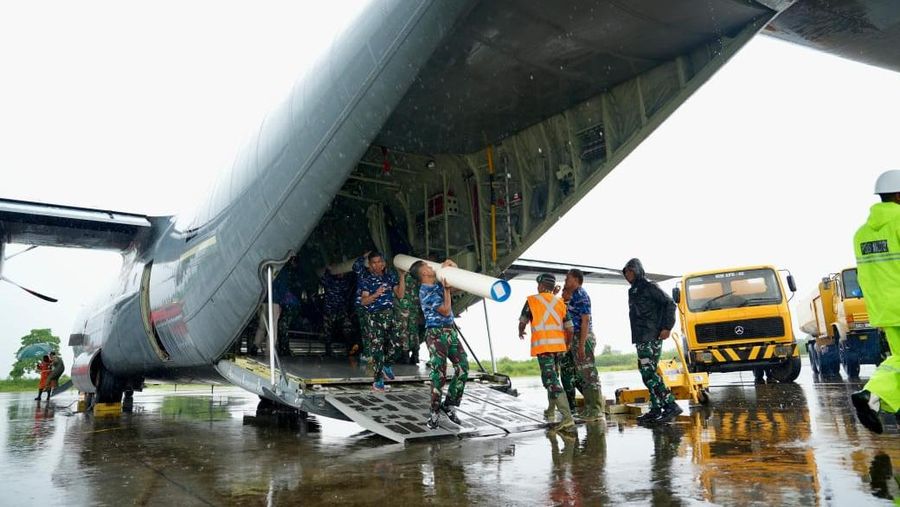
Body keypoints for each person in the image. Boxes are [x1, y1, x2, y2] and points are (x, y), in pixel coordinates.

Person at [850, 170, 900, 434]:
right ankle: (871, 394)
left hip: (885, 309)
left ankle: (884, 402)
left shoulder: (861, 234)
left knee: (898, 359)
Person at [623, 258, 682, 425]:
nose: (627, 275)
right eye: (626, 272)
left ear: (636, 270)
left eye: (629, 271)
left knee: (648, 372)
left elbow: (670, 303)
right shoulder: (633, 291)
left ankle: (670, 404)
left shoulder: (650, 287)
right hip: (641, 337)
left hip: (650, 336)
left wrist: (667, 327)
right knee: (646, 372)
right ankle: (656, 407)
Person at [410, 259, 468, 429]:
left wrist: (453, 268)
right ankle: (434, 411)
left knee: (463, 367)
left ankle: (449, 404)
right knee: (439, 373)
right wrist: (447, 291)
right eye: (428, 267)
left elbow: (459, 286)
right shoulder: (425, 291)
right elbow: (445, 310)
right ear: (424, 273)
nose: (431, 267)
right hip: (435, 334)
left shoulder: (436, 285)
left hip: (450, 331)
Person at [518, 273, 576, 431]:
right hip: (559, 348)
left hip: (544, 348)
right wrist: (568, 343)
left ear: (542, 286)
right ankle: (551, 410)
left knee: (551, 381)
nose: (537, 288)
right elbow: (570, 327)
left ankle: (567, 418)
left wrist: (520, 331)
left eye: (538, 285)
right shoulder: (559, 302)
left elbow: (523, 321)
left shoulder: (532, 301)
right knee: (554, 377)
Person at [354, 251, 406, 392]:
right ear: (370, 265)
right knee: (377, 350)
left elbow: (400, 294)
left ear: (383, 263)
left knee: (400, 343)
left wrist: (401, 276)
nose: (377, 265)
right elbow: (364, 301)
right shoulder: (366, 279)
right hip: (374, 317)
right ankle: (378, 380)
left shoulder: (390, 277)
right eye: (374, 262)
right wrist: (376, 294)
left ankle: (387, 364)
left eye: (379, 262)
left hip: (389, 315)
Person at [560, 269, 604, 421]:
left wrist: (581, 345)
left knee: (590, 375)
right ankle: (590, 408)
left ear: (577, 280)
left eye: (568, 278)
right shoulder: (572, 296)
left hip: (582, 337)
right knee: (584, 375)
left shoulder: (581, 295)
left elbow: (585, 321)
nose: (565, 281)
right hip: (577, 338)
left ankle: (596, 410)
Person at [251, 257, 300, 356]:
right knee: (273, 326)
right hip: (275, 301)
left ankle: (255, 346)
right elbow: (282, 288)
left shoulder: (268, 266)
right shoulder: (283, 271)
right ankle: (269, 350)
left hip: (264, 300)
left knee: (262, 325)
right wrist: (280, 302)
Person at [321, 267, 352, 357]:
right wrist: (328, 271)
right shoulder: (330, 281)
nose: (340, 274)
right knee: (327, 331)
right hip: (330, 310)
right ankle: (328, 350)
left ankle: (349, 348)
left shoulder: (344, 282)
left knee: (347, 329)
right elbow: (324, 279)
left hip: (340, 310)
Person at [395, 269, 423, 364]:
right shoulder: (416, 274)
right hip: (414, 306)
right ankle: (415, 355)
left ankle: (405, 355)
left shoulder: (398, 274)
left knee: (403, 330)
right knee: (414, 330)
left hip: (403, 306)